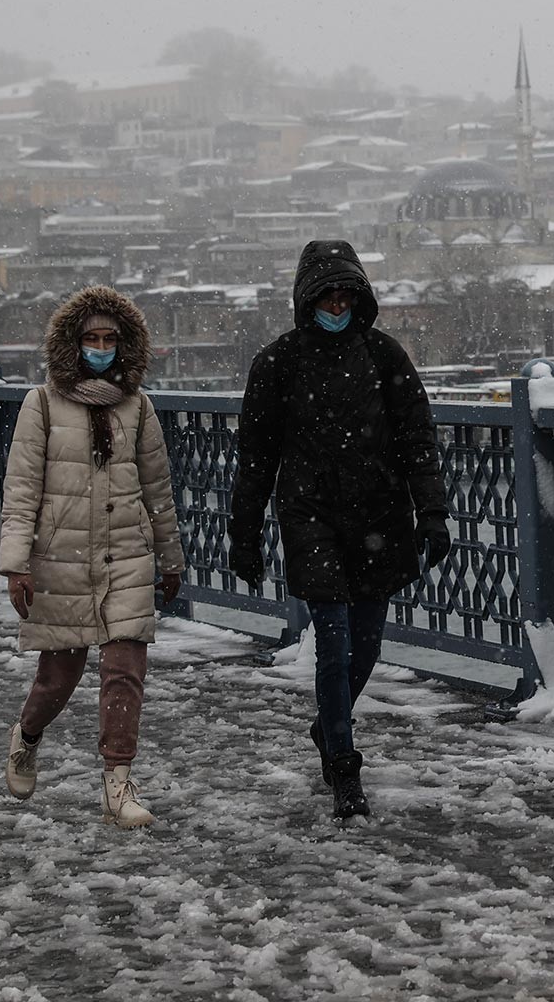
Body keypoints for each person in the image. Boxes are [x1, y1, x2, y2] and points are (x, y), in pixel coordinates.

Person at [228, 240, 451, 820]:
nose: (336, 303)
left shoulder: (384, 357)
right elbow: (256, 458)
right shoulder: (279, 363)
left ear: (360, 296)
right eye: (326, 294)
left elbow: (417, 441)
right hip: (310, 516)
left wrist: (433, 513)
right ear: (306, 299)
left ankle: (328, 725)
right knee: (334, 640)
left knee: (367, 646)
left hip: (379, 516)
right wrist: (243, 535)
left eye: (345, 293)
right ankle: (344, 768)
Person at [0, 285, 186, 828]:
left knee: (124, 669)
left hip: (127, 553)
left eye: (110, 339)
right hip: (61, 556)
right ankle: (27, 735)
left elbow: (157, 489)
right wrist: (17, 565)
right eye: (91, 339)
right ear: (72, 346)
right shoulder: (42, 405)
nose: (100, 348)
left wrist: (170, 558)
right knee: (60, 676)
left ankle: (117, 783)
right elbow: (23, 488)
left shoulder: (138, 405)